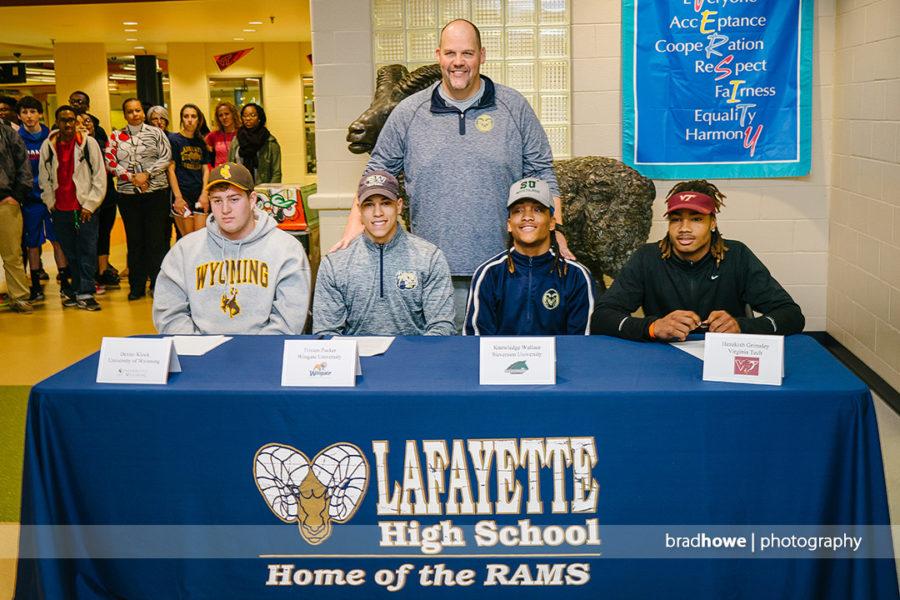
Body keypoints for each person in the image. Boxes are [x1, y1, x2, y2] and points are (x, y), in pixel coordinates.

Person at [331, 19, 571, 330]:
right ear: (438, 55)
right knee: (440, 364)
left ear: (482, 56)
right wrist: (353, 229)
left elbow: (542, 171)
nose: (458, 62)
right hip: (429, 271)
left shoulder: (513, 106)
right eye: (450, 53)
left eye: (467, 53)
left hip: (504, 267)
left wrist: (558, 232)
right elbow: (377, 172)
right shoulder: (409, 111)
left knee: (501, 364)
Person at [593, 180, 806, 341]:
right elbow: (602, 318)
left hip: (726, 356)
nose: (684, 228)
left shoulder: (737, 255)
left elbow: (792, 316)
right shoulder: (647, 257)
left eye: (696, 219)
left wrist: (741, 327)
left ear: (712, 222)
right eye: (676, 219)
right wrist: (653, 327)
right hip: (666, 357)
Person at [153, 162, 310, 334]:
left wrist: (252, 354)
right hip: (200, 355)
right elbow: (169, 314)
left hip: (263, 354)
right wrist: (199, 349)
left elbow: (289, 319)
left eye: (234, 199)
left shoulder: (286, 249)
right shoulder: (184, 250)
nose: (225, 209)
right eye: (217, 200)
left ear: (252, 200)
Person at [313, 171, 455, 337]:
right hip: (358, 360)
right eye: (369, 204)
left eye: (386, 203)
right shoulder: (335, 263)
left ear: (399, 205)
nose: (377, 213)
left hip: (413, 358)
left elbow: (442, 327)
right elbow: (326, 332)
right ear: (359, 209)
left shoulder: (429, 257)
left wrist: (415, 358)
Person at [464, 178, 596, 336]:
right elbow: (476, 342)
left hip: (560, 361)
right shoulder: (489, 274)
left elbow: (581, 343)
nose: (527, 216)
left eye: (538, 209)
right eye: (518, 210)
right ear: (509, 224)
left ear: (552, 223)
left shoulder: (576, 276)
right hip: (503, 361)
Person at [38, 106, 106, 311]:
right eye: (63, 120)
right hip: (61, 209)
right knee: (70, 251)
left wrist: (90, 205)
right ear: (56, 122)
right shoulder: (48, 146)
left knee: (87, 250)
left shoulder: (88, 143)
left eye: (71, 120)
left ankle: (87, 291)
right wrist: (51, 203)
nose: (67, 124)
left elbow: (100, 176)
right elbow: (44, 178)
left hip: (84, 209)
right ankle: (76, 289)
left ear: (76, 122)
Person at [105, 97, 172, 300]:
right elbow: (110, 161)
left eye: (138, 110)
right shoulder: (116, 136)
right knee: (135, 242)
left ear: (143, 112)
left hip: (156, 194)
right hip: (128, 196)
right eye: (130, 111)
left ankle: (158, 285)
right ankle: (137, 286)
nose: (135, 114)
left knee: (156, 241)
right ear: (125, 114)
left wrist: (147, 175)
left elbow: (166, 157)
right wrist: (132, 177)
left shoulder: (156, 133)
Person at [16, 96, 69, 301]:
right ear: (20, 116)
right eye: (25, 113)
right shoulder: (16, 137)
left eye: (32, 112)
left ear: (39, 114)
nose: (29, 116)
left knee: (58, 241)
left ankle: (64, 281)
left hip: (54, 198)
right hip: (30, 199)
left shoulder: (52, 136)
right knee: (32, 243)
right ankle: (36, 285)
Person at [69, 90, 119, 289]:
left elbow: (108, 158)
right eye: (73, 102)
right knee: (86, 237)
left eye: (88, 121)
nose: (84, 125)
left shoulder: (100, 136)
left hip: (105, 195)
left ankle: (102, 270)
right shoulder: (63, 136)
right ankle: (83, 276)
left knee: (104, 233)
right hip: (80, 198)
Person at [0, 118, 33, 312]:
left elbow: (24, 166)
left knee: (12, 254)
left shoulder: (8, 133)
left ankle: (19, 296)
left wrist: (17, 196)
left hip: (6, 202)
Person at [167, 104, 211, 236]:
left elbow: (206, 170)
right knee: (187, 239)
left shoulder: (201, 142)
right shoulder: (174, 140)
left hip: (199, 193)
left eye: (193, 116)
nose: (190, 120)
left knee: (200, 237)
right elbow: (170, 170)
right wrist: (178, 198)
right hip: (182, 193)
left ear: (199, 120)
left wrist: (204, 194)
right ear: (181, 119)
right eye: (186, 116)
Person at [228, 102, 281, 184]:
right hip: (240, 188)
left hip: (263, 189)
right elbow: (230, 167)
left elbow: (276, 173)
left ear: (259, 118)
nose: (248, 118)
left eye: (252, 115)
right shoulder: (236, 140)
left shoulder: (270, 142)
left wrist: (269, 193)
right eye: (245, 116)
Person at [206, 101, 239, 168]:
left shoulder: (241, 133)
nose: (224, 117)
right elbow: (204, 156)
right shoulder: (213, 135)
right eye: (220, 115)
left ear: (233, 114)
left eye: (227, 114)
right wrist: (210, 169)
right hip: (219, 174)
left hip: (237, 174)